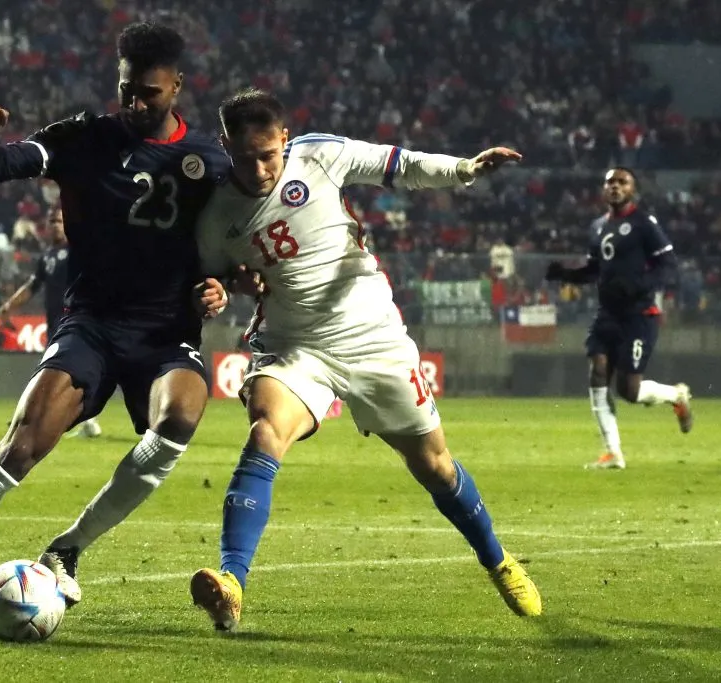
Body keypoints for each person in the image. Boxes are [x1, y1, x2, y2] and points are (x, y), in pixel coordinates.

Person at [0, 21, 230, 628]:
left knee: (177, 420)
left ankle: (68, 547)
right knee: (20, 447)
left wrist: (217, 284)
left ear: (177, 86)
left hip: (166, 333)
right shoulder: (82, 136)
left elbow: (229, 244)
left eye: (149, 92)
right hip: (91, 324)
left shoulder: (211, 163)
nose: (135, 103)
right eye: (127, 90)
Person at [189, 89, 541, 632]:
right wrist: (223, 287)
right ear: (224, 145)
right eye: (244, 157)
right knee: (265, 431)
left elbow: (399, 165)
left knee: (434, 465)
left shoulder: (321, 155)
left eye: (267, 155)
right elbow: (213, 277)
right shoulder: (215, 215)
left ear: (285, 139)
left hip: (372, 335)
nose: (258, 170)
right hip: (295, 344)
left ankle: (498, 561)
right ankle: (232, 582)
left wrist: (465, 169)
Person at [545, 167, 692, 470]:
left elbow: (668, 265)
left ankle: (676, 395)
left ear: (632, 189)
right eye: (610, 182)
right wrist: (566, 274)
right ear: (603, 189)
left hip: (639, 315)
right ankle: (613, 453)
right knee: (598, 370)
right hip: (607, 314)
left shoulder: (644, 223)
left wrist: (641, 286)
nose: (615, 186)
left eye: (622, 182)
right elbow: (595, 270)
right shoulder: (598, 226)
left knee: (629, 391)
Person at [0, 208, 101, 437]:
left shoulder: (79, 250)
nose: (55, 225)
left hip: (76, 321)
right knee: (69, 373)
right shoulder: (47, 256)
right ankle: (86, 421)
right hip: (56, 323)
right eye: (52, 221)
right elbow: (32, 286)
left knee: (54, 370)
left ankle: (31, 417)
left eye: (59, 221)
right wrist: (9, 305)